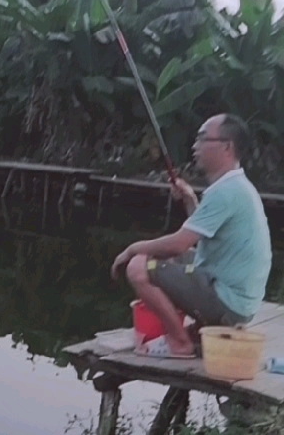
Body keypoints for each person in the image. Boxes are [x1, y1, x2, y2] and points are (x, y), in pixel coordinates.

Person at [111, 113, 272, 358]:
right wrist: (190, 200)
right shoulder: (234, 186)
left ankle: (179, 343)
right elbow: (201, 235)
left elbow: (179, 243)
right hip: (237, 301)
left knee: (138, 266)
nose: (194, 146)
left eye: (202, 139)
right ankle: (194, 330)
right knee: (176, 259)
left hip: (228, 303)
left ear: (226, 147)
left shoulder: (227, 192)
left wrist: (133, 248)